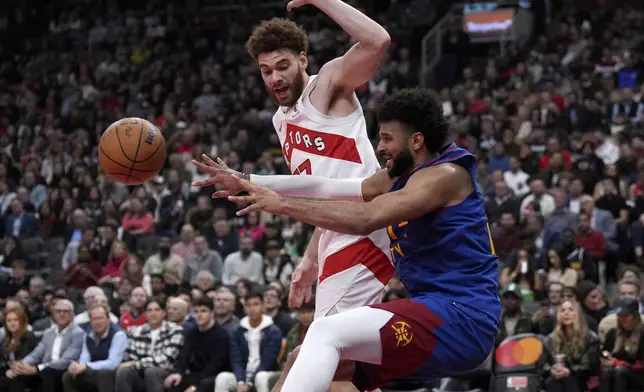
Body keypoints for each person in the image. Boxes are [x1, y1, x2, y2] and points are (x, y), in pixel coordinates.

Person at [198, 88, 500, 391]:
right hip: (438, 316)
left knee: (326, 332)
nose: (380, 147)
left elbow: (364, 219)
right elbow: (326, 186)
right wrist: (247, 180)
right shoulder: (400, 176)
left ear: (416, 141)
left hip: (462, 318)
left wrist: (280, 205)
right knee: (311, 361)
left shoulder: (444, 176)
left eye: (386, 138)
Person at [192, 0, 393, 320]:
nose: (274, 78)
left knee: (328, 346)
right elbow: (319, 190)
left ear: (302, 60)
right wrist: (311, 259)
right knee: (345, 353)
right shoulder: (279, 121)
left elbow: (377, 41)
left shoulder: (327, 84)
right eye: (266, 70)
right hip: (334, 232)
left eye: (282, 66)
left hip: (365, 225)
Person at [164, 296, 230, 392]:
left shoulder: (221, 335)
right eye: (196, 311)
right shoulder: (192, 332)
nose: (199, 315)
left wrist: (195, 385)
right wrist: (179, 373)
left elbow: (215, 365)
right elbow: (184, 355)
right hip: (196, 373)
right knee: (172, 382)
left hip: (216, 375)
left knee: (202, 386)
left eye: (203, 311)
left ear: (212, 313)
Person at [62, 304, 128, 392]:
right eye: (94, 319)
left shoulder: (118, 334)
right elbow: (85, 357)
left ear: (108, 319)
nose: (97, 322)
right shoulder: (88, 335)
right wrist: (77, 367)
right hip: (94, 369)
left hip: (116, 371)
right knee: (68, 376)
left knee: (104, 374)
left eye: (100, 318)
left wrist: (86, 366)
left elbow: (113, 363)